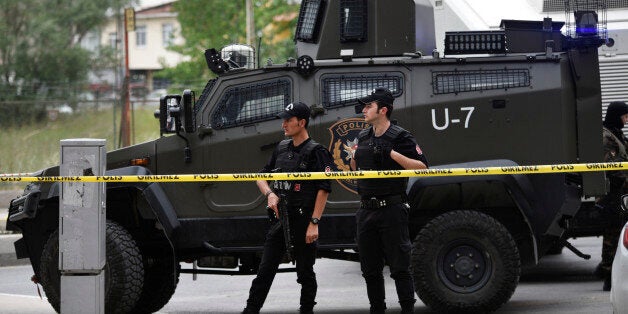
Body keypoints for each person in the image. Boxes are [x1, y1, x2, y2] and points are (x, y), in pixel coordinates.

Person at [243, 102, 335, 314]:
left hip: (304, 221)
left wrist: (314, 223)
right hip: (280, 220)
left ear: (301, 123)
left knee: (305, 273)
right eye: (283, 119)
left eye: (288, 120)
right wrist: (270, 194)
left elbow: (324, 189)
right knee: (264, 271)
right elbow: (261, 177)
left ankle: (306, 310)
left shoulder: (317, 152)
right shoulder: (281, 148)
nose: (283, 124)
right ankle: (250, 310)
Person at [349, 87, 428, 314]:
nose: (363, 110)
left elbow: (423, 167)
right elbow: (355, 168)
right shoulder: (363, 136)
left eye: (368, 106)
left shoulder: (400, 137)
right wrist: (354, 157)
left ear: (383, 110)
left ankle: (407, 309)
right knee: (370, 270)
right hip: (366, 210)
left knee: (400, 268)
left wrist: (392, 154)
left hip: (391, 209)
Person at [597, 101, 628, 291]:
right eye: (625, 115)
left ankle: (606, 269)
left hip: (620, 192)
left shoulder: (617, 133)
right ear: (617, 115)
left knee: (616, 231)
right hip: (612, 193)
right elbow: (612, 169)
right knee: (612, 233)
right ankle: (608, 274)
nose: (627, 119)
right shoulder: (606, 137)